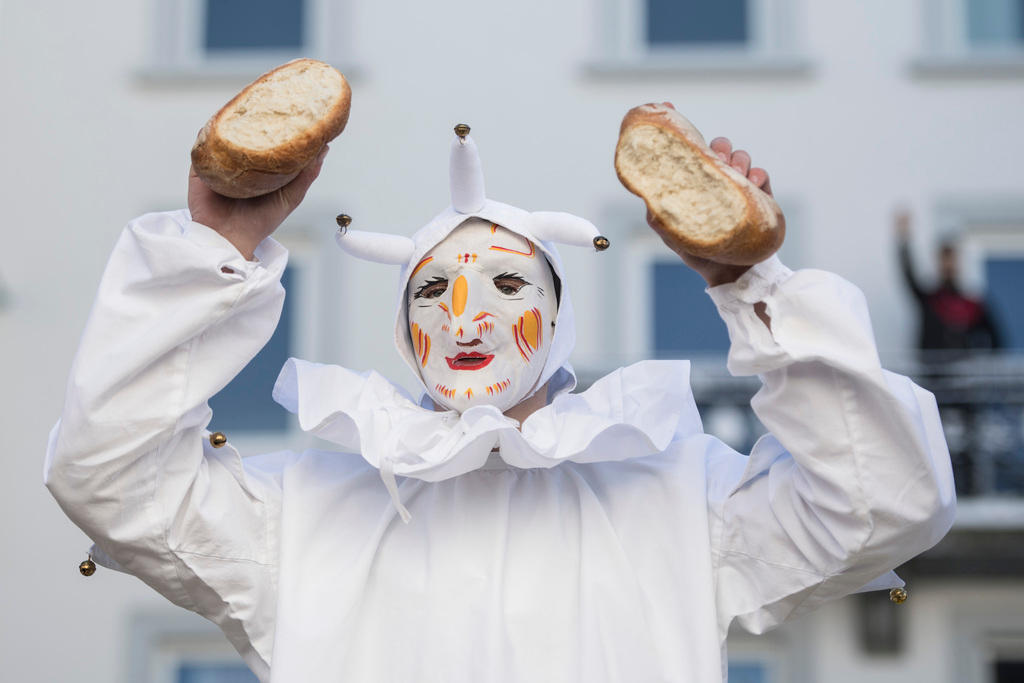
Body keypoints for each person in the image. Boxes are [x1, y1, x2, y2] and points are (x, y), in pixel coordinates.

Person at [45, 116, 956, 683]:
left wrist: (759, 285)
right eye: (433, 291)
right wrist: (208, 253)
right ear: (403, 328)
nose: (469, 317)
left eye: (509, 288)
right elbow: (107, 474)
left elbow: (885, 500)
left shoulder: (684, 502)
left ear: (557, 317)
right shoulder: (298, 518)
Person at [896, 209, 1002, 355]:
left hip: (962, 374)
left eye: (951, 259)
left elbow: (997, 339)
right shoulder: (929, 299)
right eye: (944, 259)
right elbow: (909, 276)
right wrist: (904, 239)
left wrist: (985, 366)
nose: (948, 264)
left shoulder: (972, 304)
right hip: (931, 373)